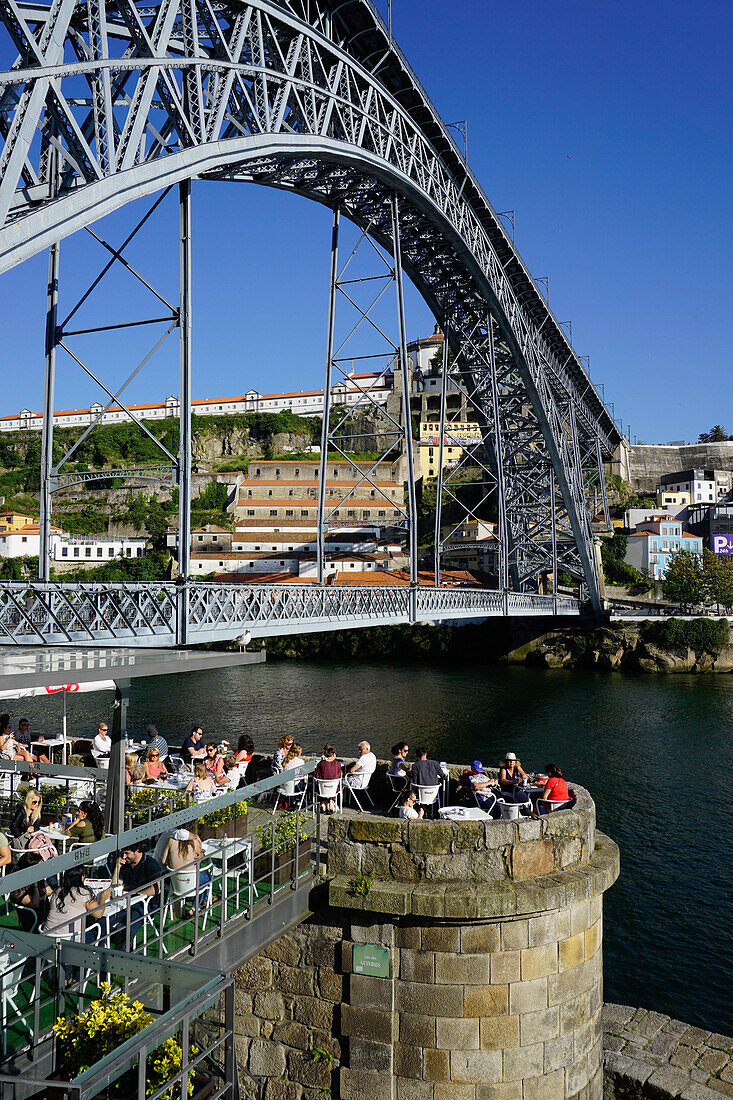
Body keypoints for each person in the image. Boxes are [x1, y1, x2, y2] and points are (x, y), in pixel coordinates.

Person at [42, 867, 110, 940]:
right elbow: (98, 914)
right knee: (102, 929)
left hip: (48, 937)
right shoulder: (84, 893)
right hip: (71, 941)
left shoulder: (58, 891)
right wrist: (103, 898)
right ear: (81, 877)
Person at [161, 827, 210, 915]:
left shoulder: (170, 841)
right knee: (209, 876)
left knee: (201, 878)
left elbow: (163, 861)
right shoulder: (194, 842)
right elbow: (199, 858)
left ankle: (200, 903)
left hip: (175, 884)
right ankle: (195, 906)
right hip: (192, 884)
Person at [10, 851, 51, 931]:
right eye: (39, 866)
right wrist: (35, 884)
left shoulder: (39, 878)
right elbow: (35, 904)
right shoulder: (17, 888)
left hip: (46, 914)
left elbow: (49, 892)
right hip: (32, 920)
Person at [314, 744, 342, 813]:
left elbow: (316, 775)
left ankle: (323, 803)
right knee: (335, 785)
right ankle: (331, 802)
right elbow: (339, 775)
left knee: (320, 786)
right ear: (333, 754)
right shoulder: (337, 764)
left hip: (322, 790)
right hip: (333, 789)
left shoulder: (320, 764)